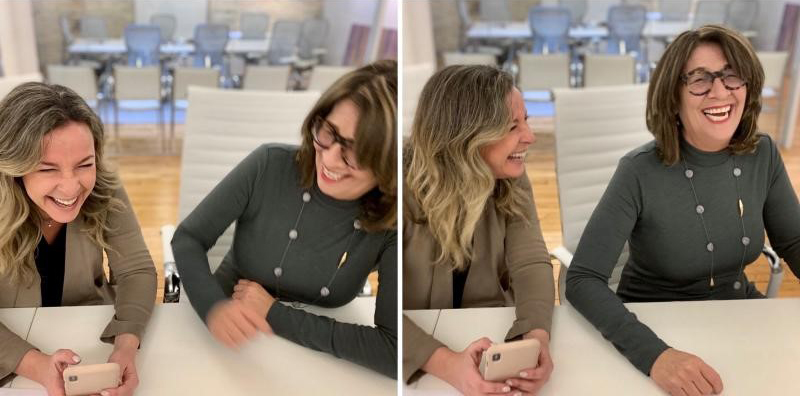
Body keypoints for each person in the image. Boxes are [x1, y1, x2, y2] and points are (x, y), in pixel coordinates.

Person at [566, 25, 800, 396]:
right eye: (699, 80)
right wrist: (656, 356)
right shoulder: (638, 171)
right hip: (657, 326)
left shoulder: (763, 153)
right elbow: (582, 280)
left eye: (731, 76)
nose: (720, 91)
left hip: (739, 317)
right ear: (673, 95)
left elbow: (795, 241)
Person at [171, 60, 397, 378]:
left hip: (316, 357)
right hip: (227, 330)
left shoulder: (393, 220)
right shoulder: (269, 165)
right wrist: (212, 307)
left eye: (353, 152)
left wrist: (273, 313)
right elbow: (187, 238)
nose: (329, 158)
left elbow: (393, 351)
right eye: (328, 133)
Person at [403, 65, 555, 395]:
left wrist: (535, 337)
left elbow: (530, 263)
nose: (529, 136)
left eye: (526, 120)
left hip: (490, 333)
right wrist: (445, 364)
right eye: (513, 126)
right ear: (467, 136)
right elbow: (384, 306)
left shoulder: (511, 177)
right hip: (414, 353)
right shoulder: (396, 185)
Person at [0, 82, 157, 396]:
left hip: (91, 337)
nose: (71, 188)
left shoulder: (105, 186)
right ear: (16, 168)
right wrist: (35, 364)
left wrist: (126, 344)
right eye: (48, 169)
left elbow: (136, 270)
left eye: (85, 165)